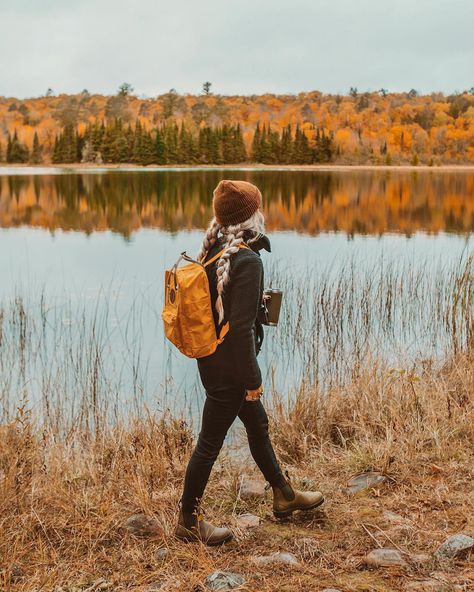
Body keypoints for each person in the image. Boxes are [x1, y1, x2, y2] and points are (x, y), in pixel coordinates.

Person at [175, 179, 324, 546]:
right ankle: (188, 520)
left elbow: (226, 315)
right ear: (253, 214)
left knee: (258, 427)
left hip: (212, 360)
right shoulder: (247, 260)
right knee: (209, 442)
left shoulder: (214, 252)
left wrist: (255, 305)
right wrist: (252, 380)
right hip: (233, 368)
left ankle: (283, 494)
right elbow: (240, 331)